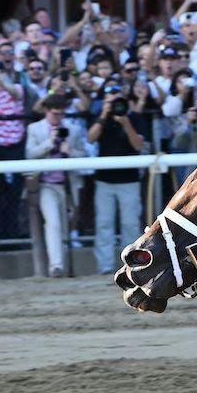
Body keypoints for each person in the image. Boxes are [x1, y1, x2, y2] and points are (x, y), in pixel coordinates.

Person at [24, 97, 87, 278]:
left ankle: (64, 265)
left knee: (67, 226)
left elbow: (83, 155)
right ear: (46, 110)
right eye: (55, 113)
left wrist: (70, 152)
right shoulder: (34, 129)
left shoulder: (73, 129)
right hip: (46, 184)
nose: (58, 117)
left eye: (61, 113)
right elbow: (29, 154)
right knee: (53, 223)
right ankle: (56, 266)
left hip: (68, 185)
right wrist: (48, 144)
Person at [87, 84, 144, 275]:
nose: (115, 103)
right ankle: (104, 267)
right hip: (104, 181)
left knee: (130, 224)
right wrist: (104, 115)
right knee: (104, 224)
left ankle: (132, 266)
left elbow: (138, 145)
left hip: (129, 181)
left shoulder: (134, 117)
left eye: (117, 98)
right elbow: (90, 138)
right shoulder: (100, 119)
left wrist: (126, 123)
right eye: (110, 98)